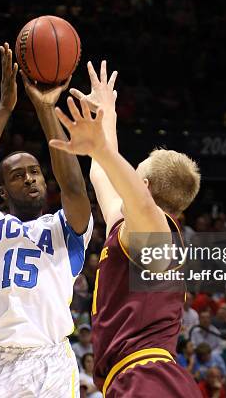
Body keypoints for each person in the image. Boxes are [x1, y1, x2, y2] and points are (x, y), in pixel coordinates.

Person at [56, 61, 200, 397]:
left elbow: (142, 204)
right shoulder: (127, 229)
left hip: (149, 380)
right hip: (135, 381)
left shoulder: (158, 231)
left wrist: (103, 150)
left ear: (143, 185)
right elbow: (101, 176)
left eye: (133, 175)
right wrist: (106, 115)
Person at [0, 43, 92, 397]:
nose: (31, 178)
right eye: (18, 175)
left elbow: (75, 188)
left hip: (49, 357)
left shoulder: (64, 227)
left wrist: (46, 109)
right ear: (2, 192)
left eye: (35, 171)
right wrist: (5, 109)